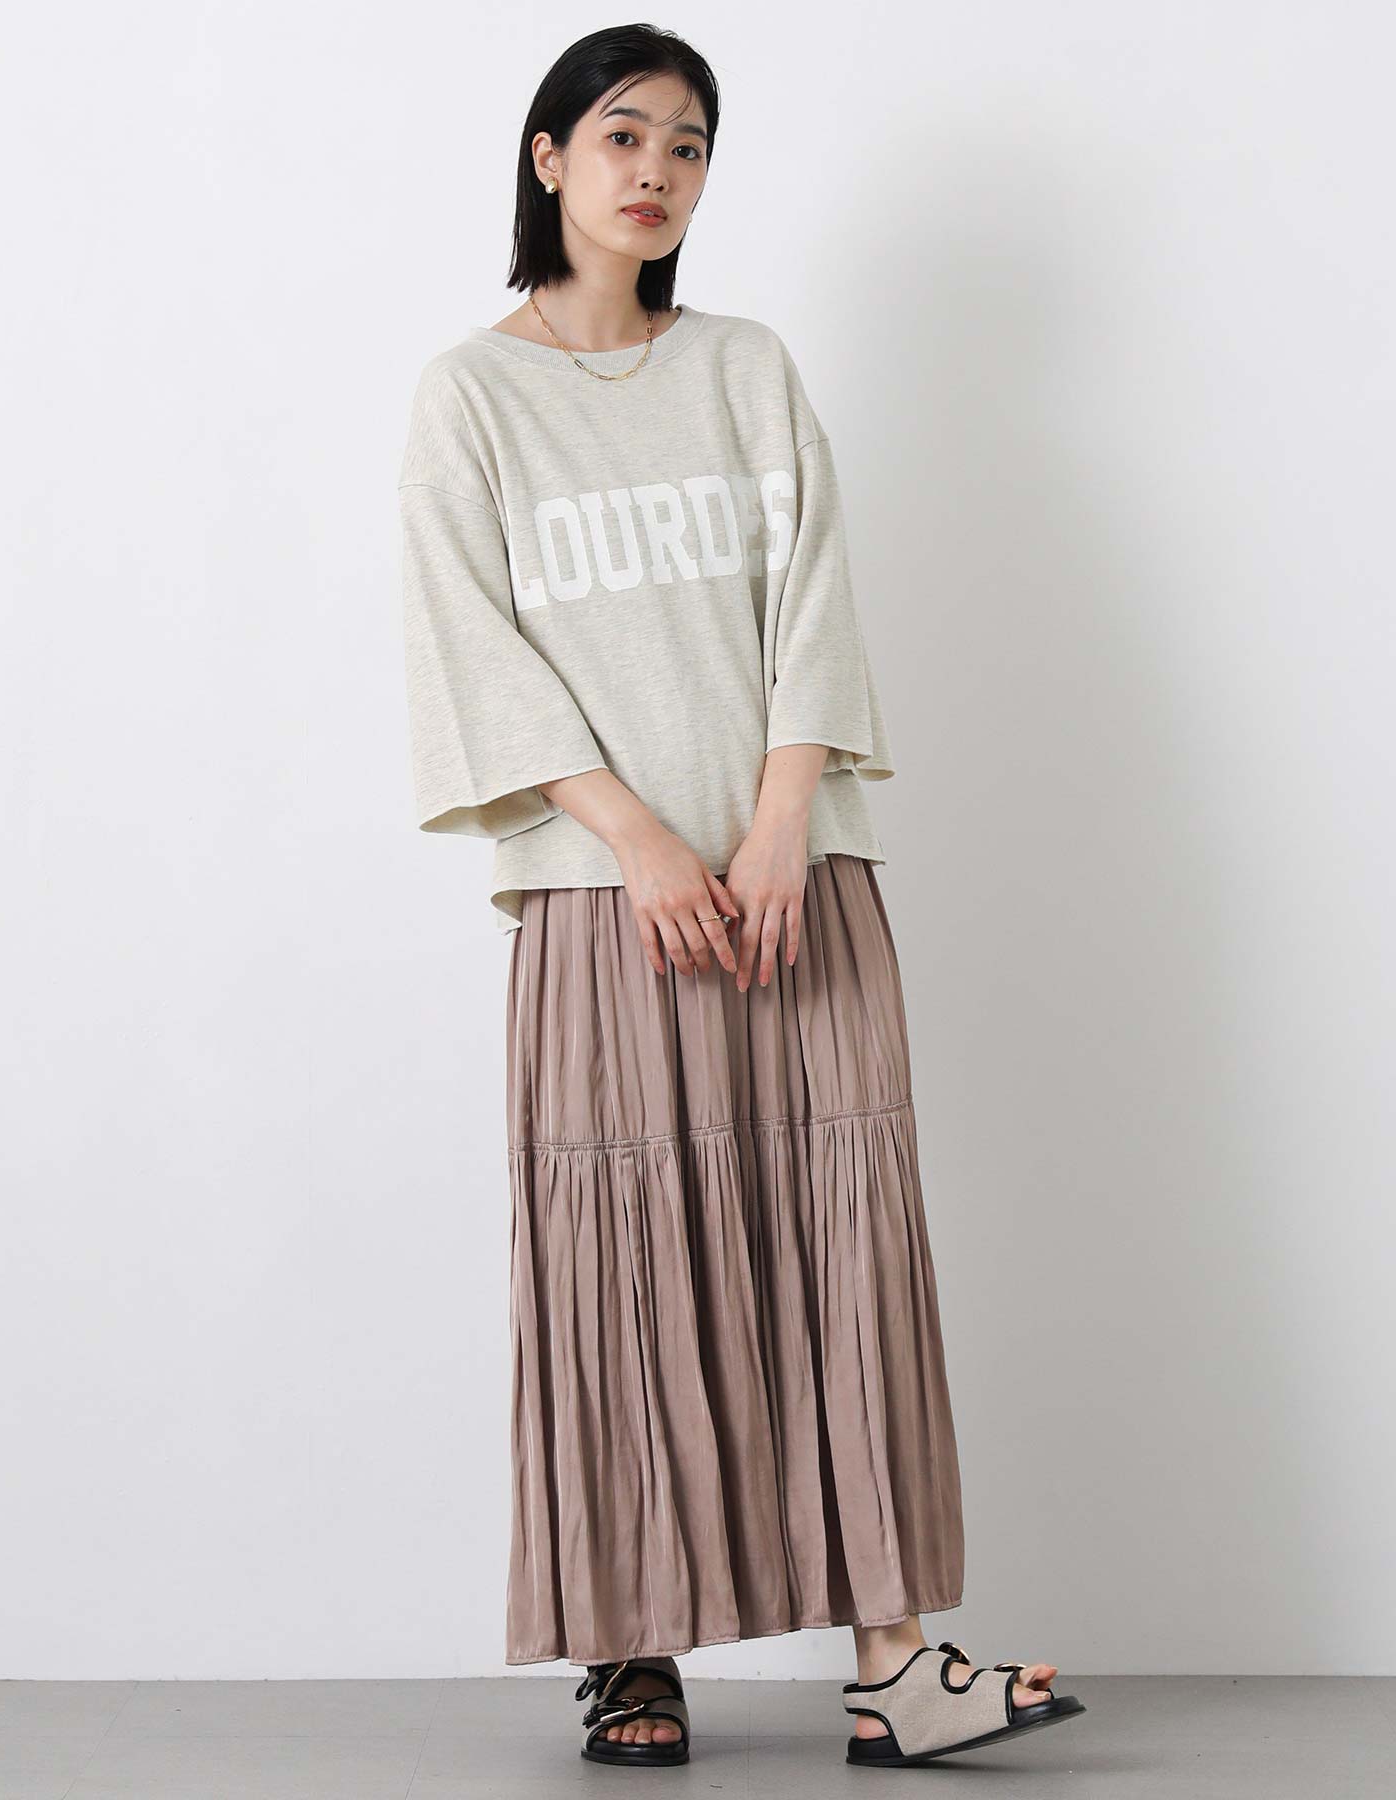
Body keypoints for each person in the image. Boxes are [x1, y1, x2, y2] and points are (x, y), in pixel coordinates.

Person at [397, 24, 1084, 1772]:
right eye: (623, 134)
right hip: (606, 906)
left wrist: (783, 819)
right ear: (549, 156)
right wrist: (640, 838)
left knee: (846, 1245)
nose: (656, 171)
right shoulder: (470, 398)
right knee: (625, 1257)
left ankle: (895, 1662)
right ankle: (631, 1650)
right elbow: (474, 645)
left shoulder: (746, 369)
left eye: (689, 145)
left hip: (794, 886)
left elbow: (815, 598)